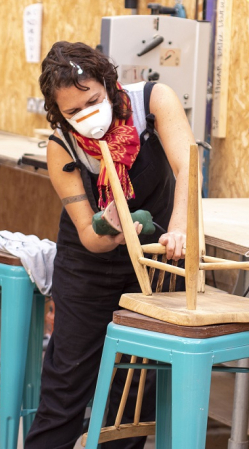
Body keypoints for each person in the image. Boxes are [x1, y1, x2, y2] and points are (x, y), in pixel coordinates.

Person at [25, 41, 196, 449]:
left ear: (108, 81)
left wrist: (179, 227)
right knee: (67, 383)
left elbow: (188, 163)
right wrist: (111, 230)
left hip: (154, 259)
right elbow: (88, 235)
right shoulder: (61, 146)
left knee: (133, 390)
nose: (87, 116)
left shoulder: (154, 100)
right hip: (87, 266)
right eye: (72, 112)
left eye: (93, 101)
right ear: (58, 113)